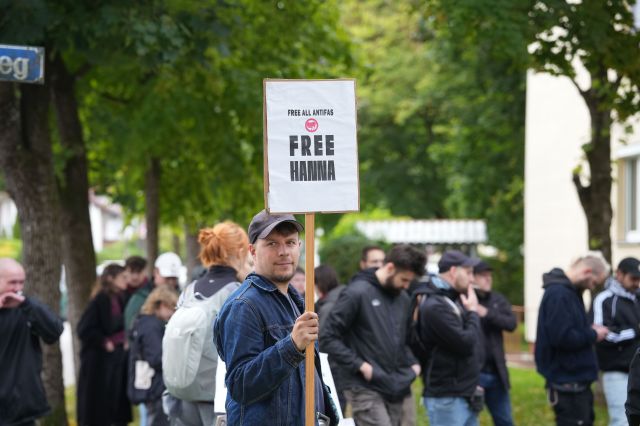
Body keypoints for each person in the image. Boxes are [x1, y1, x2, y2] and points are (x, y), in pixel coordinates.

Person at [214, 210, 338, 425]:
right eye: (272, 244)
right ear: (253, 251)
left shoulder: (296, 300)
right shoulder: (243, 306)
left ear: (299, 247)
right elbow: (240, 384)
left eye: (290, 243)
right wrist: (292, 346)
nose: (283, 252)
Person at [320, 244, 426, 426]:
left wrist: (414, 365)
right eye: (404, 279)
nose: (407, 286)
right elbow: (327, 337)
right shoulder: (356, 293)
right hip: (363, 386)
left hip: (397, 384)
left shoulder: (403, 298)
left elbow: (404, 340)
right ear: (390, 267)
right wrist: (361, 366)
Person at [164, 221, 250, 426]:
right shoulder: (236, 292)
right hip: (217, 400)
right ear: (240, 251)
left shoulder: (189, 290)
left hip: (183, 394)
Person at [535, 252, 610, 426]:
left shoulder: (570, 292)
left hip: (575, 382)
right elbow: (562, 338)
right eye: (594, 282)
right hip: (568, 384)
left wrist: (588, 330)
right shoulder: (559, 294)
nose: (592, 287)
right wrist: (593, 334)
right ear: (587, 272)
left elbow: (568, 329)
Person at [417, 250, 482, 426]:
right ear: (453, 271)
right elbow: (466, 343)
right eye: (468, 273)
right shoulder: (435, 305)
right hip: (446, 398)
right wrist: (473, 312)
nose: (472, 279)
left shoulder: (452, 299)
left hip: (464, 393)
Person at [0, 258, 64, 426]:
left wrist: (27, 304)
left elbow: (54, 332)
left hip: (21, 408)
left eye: (21, 282)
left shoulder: (27, 307)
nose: (18, 288)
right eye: (12, 282)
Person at [77, 263, 132, 426]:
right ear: (110, 278)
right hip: (99, 363)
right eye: (123, 277)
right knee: (99, 407)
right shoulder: (100, 299)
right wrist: (104, 341)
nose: (127, 280)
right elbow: (84, 329)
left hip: (115, 359)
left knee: (116, 406)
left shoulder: (120, 297)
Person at [592, 257, 640, 426]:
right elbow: (602, 335)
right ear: (619, 274)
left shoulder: (637, 298)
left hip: (638, 371)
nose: (637, 283)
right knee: (622, 421)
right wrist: (635, 330)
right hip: (618, 371)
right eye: (633, 278)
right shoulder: (604, 299)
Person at [473, 260, 517, 426]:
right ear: (472, 277)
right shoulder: (465, 300)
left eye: (489, 276)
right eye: (483, 276)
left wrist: (486, 313)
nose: (488, 279)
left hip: (497, 372)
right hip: (475, 374)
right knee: (470, 420)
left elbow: (511, 323)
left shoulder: (497, 299)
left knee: (505, 420)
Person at [128, 287, 178, 426]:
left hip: (148, 386)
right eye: (171, 308)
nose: (173, 313)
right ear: (161, 305)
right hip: (155, 388)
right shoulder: (151, 326)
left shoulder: (143, 322)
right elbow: (156, 358)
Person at [314, 264, 347, 413]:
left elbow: (322, 338)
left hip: (333, 364)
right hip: (341, 362)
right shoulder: (341, 298)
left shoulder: (329, 306)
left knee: (336, 406)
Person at [124, 252, 182, 332]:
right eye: (167, 278)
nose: (171, 282)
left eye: (174, 278)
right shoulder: (140, 298)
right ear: (156, 272)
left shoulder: (182, 297)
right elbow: (130, 329)